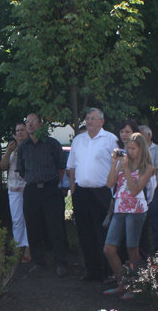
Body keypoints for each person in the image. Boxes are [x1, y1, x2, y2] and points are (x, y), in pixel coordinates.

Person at [67, 108, 118, 281]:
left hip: (102, 193)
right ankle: (92, 271)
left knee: (103, 233)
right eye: (87, 118)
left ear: (102, 121)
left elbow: (117, 167)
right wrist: (73, 191)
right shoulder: (78, 140)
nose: (89, 121)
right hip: (81, 192)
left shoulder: (110, 139)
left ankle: (107, 272)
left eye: (93, 118)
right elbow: (72, 167)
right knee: (85, 233)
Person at [103, 133, 154, 300]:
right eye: (128, 148)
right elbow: (110, 184)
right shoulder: (122, 163)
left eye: (133, 148)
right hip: (119, 209)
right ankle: (122, 284)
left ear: (141, 149)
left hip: (136, 211)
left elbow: (134, 190)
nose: (130, 151)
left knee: (132, 249)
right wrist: (114, 164)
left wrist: (125, 168)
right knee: (109, 249)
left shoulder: (148, 167)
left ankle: (136, 286)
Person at [16, 113, 68, 276]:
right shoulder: (23, 147)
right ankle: (39, 261)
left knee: (55, 227)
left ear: (41, 124)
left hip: (50, 190)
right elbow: (21, 171)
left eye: (33, 121)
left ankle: (60, 262)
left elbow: (61, 167)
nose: (30, 124)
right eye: (27, 121)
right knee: (33, 227)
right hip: (31, 190)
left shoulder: (52, 144)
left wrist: (52, 183)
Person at [0, 122, 30, 262]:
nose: (20, 133)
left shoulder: (31, 147)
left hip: (29, 187)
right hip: (13, 188)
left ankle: (29, 249)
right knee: (17, 219)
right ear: (14, 134)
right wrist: (8, 152)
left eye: (22, 130)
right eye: (17, 130)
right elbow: (3, 166)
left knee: (29, 218)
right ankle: (18, 247)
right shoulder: (11, 149)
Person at [139, 125, 158, 254]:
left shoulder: (156, 150)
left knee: (154, 221)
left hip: (154, 190)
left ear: (149, 135)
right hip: (138, 190)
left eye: (141, 134)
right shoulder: (135, 150)